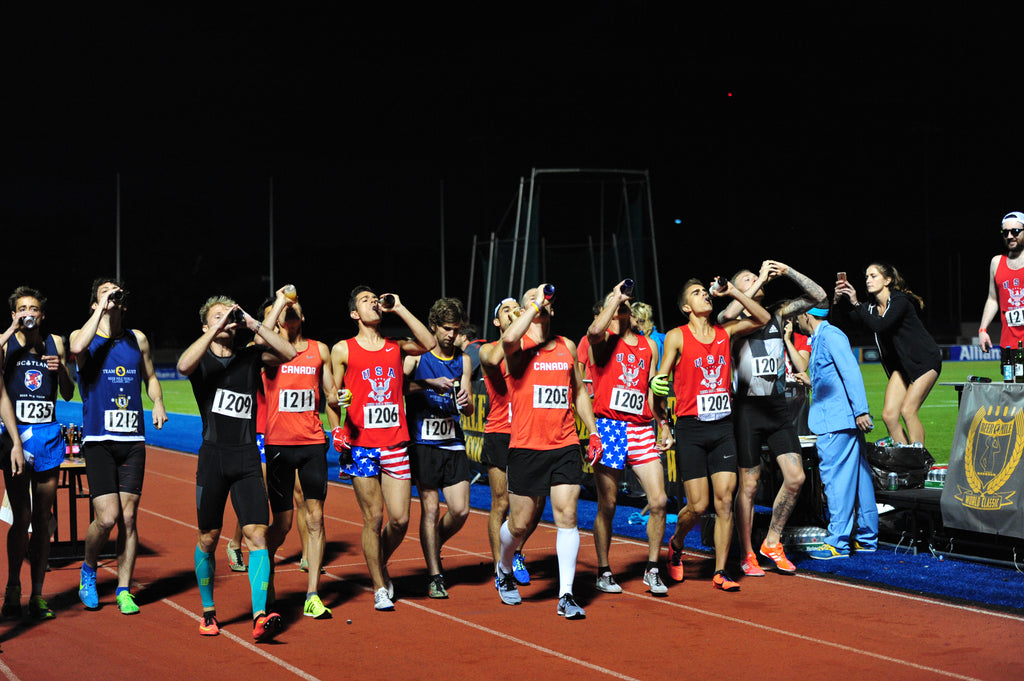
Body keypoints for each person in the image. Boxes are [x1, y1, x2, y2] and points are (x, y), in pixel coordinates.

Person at [176, 288, 297, 639]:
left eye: (229, 316)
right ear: (204, 326)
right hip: (213, 458)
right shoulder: (201, 361)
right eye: (217, 316)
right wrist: (215, 330)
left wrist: (252, 321)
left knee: (256, 533)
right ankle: (209, 612)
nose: (225, 320)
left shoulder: (250, 357)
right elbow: (183, 365)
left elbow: (288, 353)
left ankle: (260, 614)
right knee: (208, 537)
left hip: (245, 458)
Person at [652, 276, 769, 592]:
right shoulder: (677, 337)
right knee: (698, 505)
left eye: (706, 291)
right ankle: (676, 544)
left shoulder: (724, 333)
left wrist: (732, 292)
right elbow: (659, 386)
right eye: (696, 293)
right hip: (691, 428)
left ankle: (720, 570)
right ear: (686, 307)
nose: (704, 295)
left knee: (724, 502)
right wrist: (663, 423)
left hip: (722, 428)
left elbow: (763, 318)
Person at [495, 284, 602, 619]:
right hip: (527, 447)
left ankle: (566, 594)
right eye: (532, 302)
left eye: (545, 303)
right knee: (520, 524)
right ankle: (503, 566)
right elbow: (509, 340)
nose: (540, 305)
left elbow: (580, 394)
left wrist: (594, 431)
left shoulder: (567, 346)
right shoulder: (517, 347)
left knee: (567, 515)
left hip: (565, 443)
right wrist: (532, 305)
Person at [329, 286, 436, 611]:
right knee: (373, 517)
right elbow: (332, 396)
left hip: (394, 443)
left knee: (401, 519)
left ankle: (377, 561)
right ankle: (379, 586)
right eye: (366, 300)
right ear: (354, 314)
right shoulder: (342, 350)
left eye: (375, 300)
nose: (373, 303)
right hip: (361, 445)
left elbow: (429, 344)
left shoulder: (395, 347)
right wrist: (336, 427)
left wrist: (399, 307)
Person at [717, 260, 824, 577]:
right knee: (748, 485)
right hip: (748, 410)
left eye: (758, 274)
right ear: (735, 289)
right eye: (747, 277)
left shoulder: (778, 312)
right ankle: (747, 552)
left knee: (796, 478)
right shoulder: (732, 321)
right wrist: (753, 280)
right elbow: (725, 314)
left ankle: (772, 541)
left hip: (777, 409)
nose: (757, 278)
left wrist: (790, 271)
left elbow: (818, 297)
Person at [70, 278, 168, 615]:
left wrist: (157, 402)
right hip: (98, 439)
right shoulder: (82, 336)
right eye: (104, 293)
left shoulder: (136, 339)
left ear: (124, 304)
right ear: (94, 304)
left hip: (132, 440)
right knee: (107, 518)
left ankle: (125, 588)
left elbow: (152, 377)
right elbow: (77, 350)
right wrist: (101, 310)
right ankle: (88, 570)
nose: (112, 298)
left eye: (117, 294)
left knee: (128, 517)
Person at [588, 281, 672, 596]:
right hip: (609, 426)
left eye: (625, 305)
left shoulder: (649, 346)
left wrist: (664, 424)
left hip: (640, 428)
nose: (621, 309)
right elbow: (595, 330)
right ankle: (604, 569)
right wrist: (614, 297)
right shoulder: (602, 341)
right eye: (615, 306)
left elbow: (652, 392)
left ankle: (652, 569)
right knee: (607, 504)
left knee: (660, 500)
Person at [263, 293, 339, 619]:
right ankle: (265, 580)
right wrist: (280, 302)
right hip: (279, 444)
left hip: (311, 442)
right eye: (285, 312)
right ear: (279, 318)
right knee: (282, 523)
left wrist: (342, 399)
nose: (290, 314)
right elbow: (259, 338)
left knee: (316, 518)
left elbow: (332, 393)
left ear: (303, 318)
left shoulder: (320, 350)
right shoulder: (269, 353)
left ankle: (312, 595)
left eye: (296, 311)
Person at [794, 305, 877, 559]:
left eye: (797, 316)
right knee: (860, 478)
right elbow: (836, 377)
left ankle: (837, 542)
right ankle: (866, 538)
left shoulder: (830, 336)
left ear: (807, 315)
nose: (796, 321)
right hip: (841, 418)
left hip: (835, 422)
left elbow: (851, 372)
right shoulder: (824, 337)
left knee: (836, 481)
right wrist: (812, 382)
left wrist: (861, 410)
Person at [404, 297, 474, 599]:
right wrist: (430, 383)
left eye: (456, 330)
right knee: (430, 509)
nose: (451, 335)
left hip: (453, 440)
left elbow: (469, 408)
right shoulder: (417, 357)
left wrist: (466, 402)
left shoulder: (464, 359)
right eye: (446, 328)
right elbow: (399, 389)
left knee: (460, 510)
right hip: (423, 441)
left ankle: (432, 543)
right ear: (434, 326)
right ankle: (435, 575)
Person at [835, 262, 941, 446]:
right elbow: (841, 323)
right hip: (902, 367)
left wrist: (855, 303)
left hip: (924, 361)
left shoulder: (899, 300)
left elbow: (880, 325)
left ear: (888, 280)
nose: (868, 280)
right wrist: (837, 301)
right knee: (889, 416)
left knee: (908, 411)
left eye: (873, 276)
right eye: (866, 277)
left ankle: (919, 463)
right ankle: (907, 462)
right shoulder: (869, 308)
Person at [478, 297, 538, 586]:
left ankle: (516, 551)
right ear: (497, 322)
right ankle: (497, 566)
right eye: (506, 309)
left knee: (536, 503)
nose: (513, 311)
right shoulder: (490, 349)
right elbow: (492, 359)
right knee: (501, 503)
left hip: (531, 433)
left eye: (518, 307)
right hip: (501, 432)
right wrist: (514, 334)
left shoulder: (531, 347)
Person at [0, 289, 49, 618]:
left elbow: (70, 391)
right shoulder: (5, 345)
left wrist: (62, 371)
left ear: (42, 314)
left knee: (44, 520)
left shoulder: (53, 343)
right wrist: (10, 329)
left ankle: (38, 595)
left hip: (46, 438)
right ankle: (13, 587)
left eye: (33, 309)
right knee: (23, 517)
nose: (28, 313)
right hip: (14, 439)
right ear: (14, 313)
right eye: (21, 309)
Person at [979, 211, 1024, 353]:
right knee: (1011, 377)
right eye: (1006, 232)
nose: (1010, 236)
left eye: (1015, 231)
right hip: (1009, 345)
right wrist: (982, 329)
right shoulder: (996, 262)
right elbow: (992, 299)